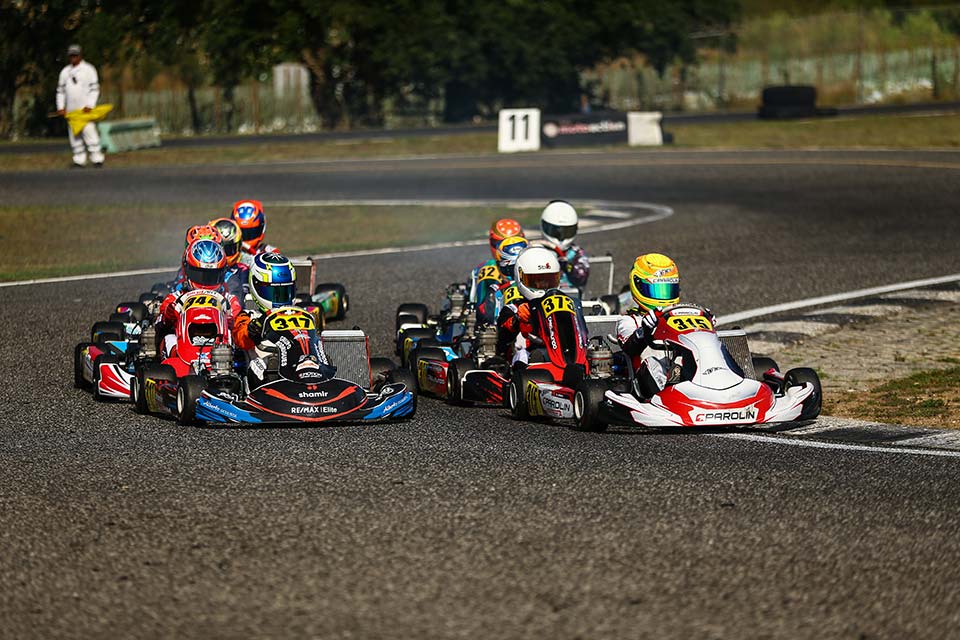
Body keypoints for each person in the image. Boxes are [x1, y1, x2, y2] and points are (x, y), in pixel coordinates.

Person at [615, 253, 714, 398]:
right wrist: (644, 331)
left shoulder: (679, 315)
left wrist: (706, 325)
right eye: (656, 291)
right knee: (653, 362)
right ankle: (666, 395)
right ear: (638, 287)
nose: (663, 297)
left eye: (667, 290)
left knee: (694, 354)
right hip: (646, 382)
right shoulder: (629, 321)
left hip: (682, 369)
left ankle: (723, 384)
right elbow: (630, 348)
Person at [232, 253, 335, 385]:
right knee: (262, 364)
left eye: (284, 291)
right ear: (255, 287)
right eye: (273, 292)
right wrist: (254, 329)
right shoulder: (249, 316)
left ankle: (321, 375)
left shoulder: (300, 314)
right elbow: (241, 340)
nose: (279, 298)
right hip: (268, 376)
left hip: (304, 363)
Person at [156, 239, 242, 358]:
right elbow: (160, 324)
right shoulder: (175, 298)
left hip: (221, 353)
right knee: (168, 338)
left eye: (212, 276)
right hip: (184, 349)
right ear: (188, 271)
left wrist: (230, 319)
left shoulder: (229, 300)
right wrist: (168, 315)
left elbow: (239, 323)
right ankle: (175, 366)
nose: (205, 281)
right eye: (200, 274)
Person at [495, 246, 563, 366]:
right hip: (526, 360)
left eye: (548, 280)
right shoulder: (514, 308)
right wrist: (517, 320)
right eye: (537, 281)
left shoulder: (561, 304)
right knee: (522, 355)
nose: (543, 285)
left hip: (558, 354)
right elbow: (502, 338)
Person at [55, 44, 104, 168]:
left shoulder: (89, 69)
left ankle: (97, 158)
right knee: (75, 137)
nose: (73, 58)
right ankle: (79, 159)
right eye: (71, 56)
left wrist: (90, 104)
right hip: (71, 111)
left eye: (75, 55)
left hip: (85, 111)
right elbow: (60, 91)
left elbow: (94, 89)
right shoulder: (65, 72)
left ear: (80, 55)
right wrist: (60, 107)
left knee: (90, 133)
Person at [538, 200, 590, 290]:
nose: (560, 237)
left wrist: (567, 265)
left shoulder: (576, 252)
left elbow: (582, 276)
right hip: (542, 297)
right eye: (555, 231)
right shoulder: (536, 251)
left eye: (566, 232)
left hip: (571, 298)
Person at [231, 200, 279, 266]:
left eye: (251, 232)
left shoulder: (270, 252)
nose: (246, 237)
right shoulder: (230, 252)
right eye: (242, 232)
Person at [209, 217, 247, 298]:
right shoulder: (197, 267)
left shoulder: (244, 269)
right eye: (220, 250)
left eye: (229, 249)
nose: (225, 255)